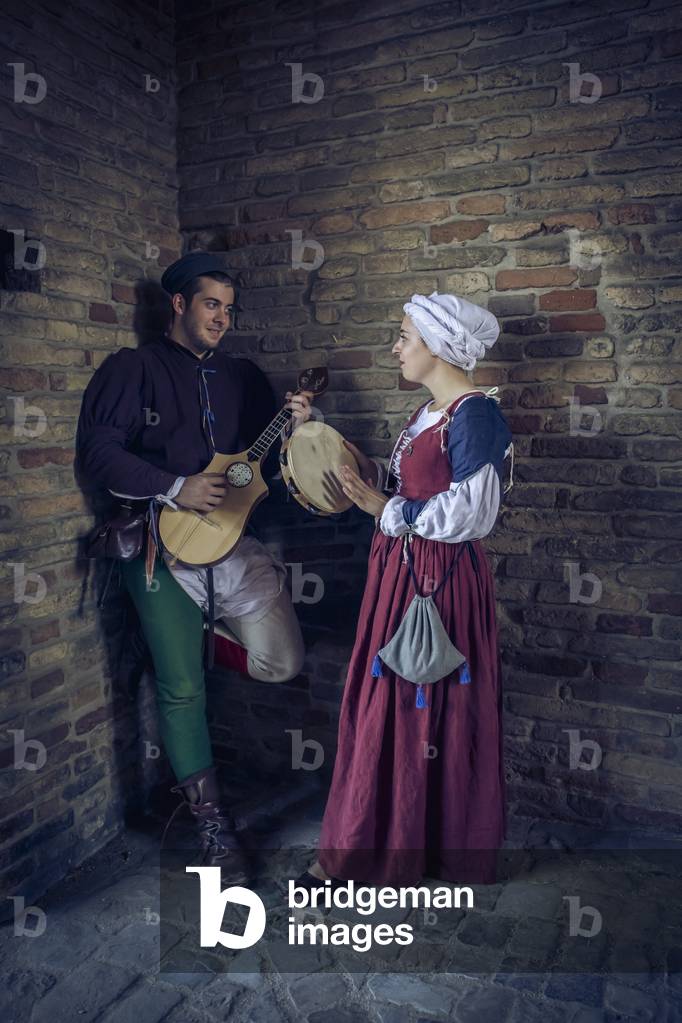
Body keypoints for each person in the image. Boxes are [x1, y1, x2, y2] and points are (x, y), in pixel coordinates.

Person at [76, 252, 313, 883]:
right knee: (182, 689)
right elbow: (99, 453)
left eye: (229, 309)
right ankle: (213, 826)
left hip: (233, 542)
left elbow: (262, 466)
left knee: (282, 662)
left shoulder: (242, 377)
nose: (222, 318)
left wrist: (297, 431)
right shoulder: (133, 369)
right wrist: (173, 485)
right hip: (158, 547)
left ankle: (182, 635)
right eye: (212, 304)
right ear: (179, 304)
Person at [299, 291, 514, 889]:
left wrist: (387, 509)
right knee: (390, 700)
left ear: (438, 346)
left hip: (437, 581)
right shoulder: (429, 412)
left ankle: (411, 851)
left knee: (421, 699)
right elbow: (409, 488)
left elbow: (473, 513)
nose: (396, 349)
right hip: (400, 572)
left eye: (405, 338)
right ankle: (378, 842)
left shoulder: (475, 415)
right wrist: (353, 469)